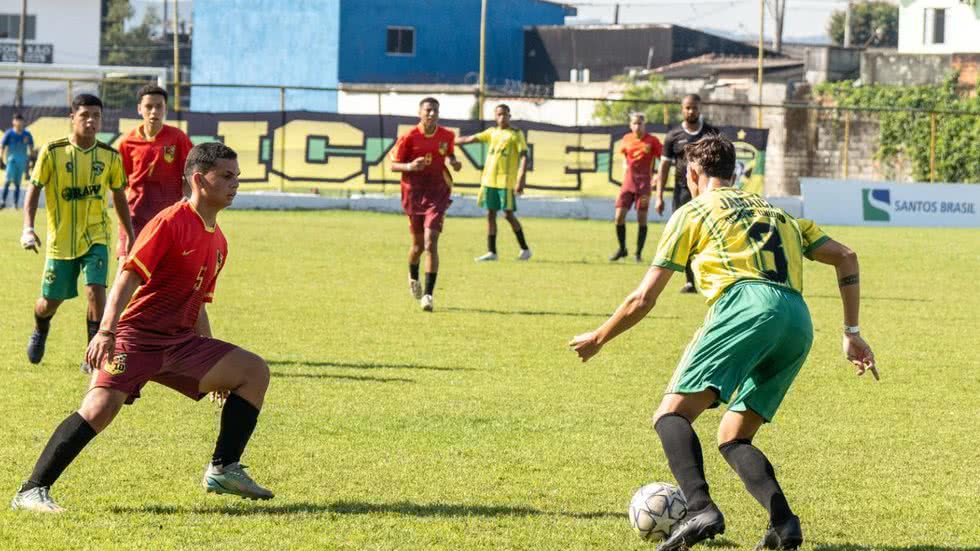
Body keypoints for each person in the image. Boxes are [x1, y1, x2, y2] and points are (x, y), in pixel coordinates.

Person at [570, 135, 877, 551]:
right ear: (734, 173)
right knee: (734, 435)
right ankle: (783, 524)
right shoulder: (780, 213)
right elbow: (847, 256)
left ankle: (700, 509)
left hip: (744, 306)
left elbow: (644, 298)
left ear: (693, 175)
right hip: (797, 320)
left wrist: (599, 337)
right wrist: (852, 332)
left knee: (670, 415)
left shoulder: (694, 211)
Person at [11, 142, 274, 513]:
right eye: (227, 176)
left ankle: (223, 467)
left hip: (181, 342)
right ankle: (32, 490)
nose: (235, 184)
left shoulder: (219, 241)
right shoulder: (169, 223)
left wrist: (211, 354)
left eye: (237, 178)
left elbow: (197, 301)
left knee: (252, 371)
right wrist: (106, 331)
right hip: (136, 338)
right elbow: (126, 279)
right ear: (199, 179)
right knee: (100, 408)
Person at [21, 94, 136, 372]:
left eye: (96, 115)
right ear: (72, 118)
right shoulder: (53, 151)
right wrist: (28, 227)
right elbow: (34, 189)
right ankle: (41, 328)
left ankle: (92, 356)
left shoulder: (110, 156)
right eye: (84, 115)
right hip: (60, 243)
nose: (91, 120)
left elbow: (119, 194)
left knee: (96, 291)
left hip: (96, 237)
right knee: (48, 303)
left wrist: (130, 234)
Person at [389, 97, 462, 312]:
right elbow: (393, 165)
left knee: (431, 243)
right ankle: (413, 276)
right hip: (413, 194)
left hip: (437, 193)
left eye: (435, 110)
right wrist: (410, 166)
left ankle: (428, 295)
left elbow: (449, 153)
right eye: (428, 110)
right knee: (418, 247)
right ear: (420, 112)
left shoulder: (447, 135)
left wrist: (454, 162)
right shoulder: (409, 137)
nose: (432, 114)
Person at [117, 84, 195, 261]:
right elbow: (120, 184)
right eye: (148, 106)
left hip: (167, 217)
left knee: (164, 271)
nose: (154, 111)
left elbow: (193, 171)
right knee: (125, 266)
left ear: (165, 109)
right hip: (134, 218)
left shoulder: (177, 138)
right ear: (139, 109)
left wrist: (188, 197)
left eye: (159, 106)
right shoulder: (126, 142)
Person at [656, 95, 718, 292]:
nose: (691, 111)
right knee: (685, 234)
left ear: (700, 108)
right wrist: (658, 196)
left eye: (694, 108)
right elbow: (664, 167)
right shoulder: (673, 135)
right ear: (682, 109)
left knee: (709, 234)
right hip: (682, 192)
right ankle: (690, 280)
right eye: (687, 108)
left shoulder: (711, 133)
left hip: (708, 192)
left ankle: (713, 277)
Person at [457, 104, 532, 262]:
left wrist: (521, 178)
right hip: (489, 180)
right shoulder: (491, 133)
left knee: (508, 215)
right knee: (490, 214)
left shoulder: (515, 134)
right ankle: (492, 252)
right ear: (495, 116)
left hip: (505, 181)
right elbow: (469, 139)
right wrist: (449, 142)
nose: (502, 117)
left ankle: (525, 249)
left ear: (509, 116)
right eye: (499, 114)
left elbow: (524, 156)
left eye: (505, 114)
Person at [610, 112, 662, 263]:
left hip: (644, 186)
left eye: (640, 123)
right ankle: (622, 249)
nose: (637, 126)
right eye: (634, 123)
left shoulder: (652, 141)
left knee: (642, 218)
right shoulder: (626, 139)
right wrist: (625, 167)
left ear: (644, 124)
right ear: (630, 125)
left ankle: (638, 253)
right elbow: (625, 158)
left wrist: (658, 176)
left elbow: (663, 160)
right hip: (627, 184)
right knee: (619, 217)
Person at [1, 113, 35, 209]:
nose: (19, 122)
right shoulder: (9, 134)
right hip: (11, 161)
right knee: (7, 181)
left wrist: (32, 158)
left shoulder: (27, 134)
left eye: (20, 120)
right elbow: (2, 146)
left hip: (21, 162)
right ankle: (3, 201)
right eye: (17, 120)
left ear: (23, 122)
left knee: (17, 183)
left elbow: (31, 146)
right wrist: (1, 158)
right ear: (13, 122)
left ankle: (15, 204)